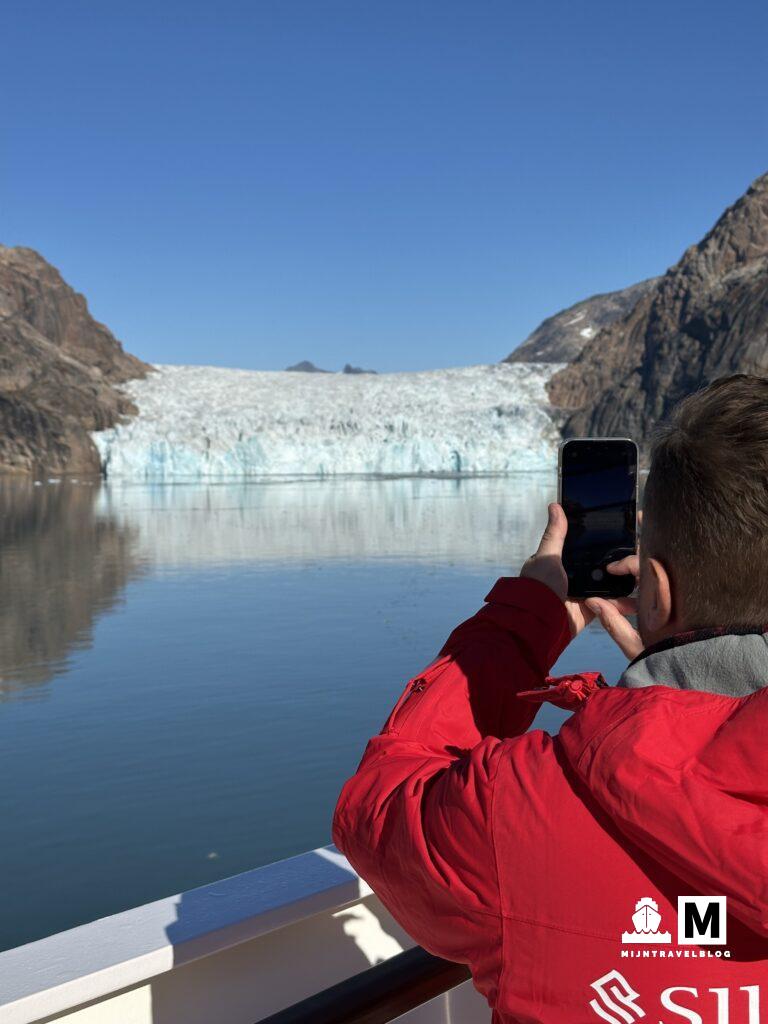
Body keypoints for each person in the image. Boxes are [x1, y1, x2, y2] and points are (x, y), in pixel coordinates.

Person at [332, 373, 768, 1023]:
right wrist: (697, 688)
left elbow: (376, 804)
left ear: (654, 589)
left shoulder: (512, 808)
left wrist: (528, 616)